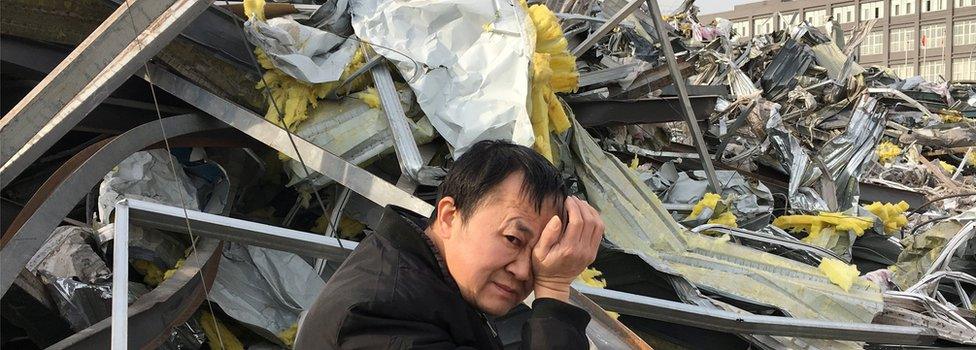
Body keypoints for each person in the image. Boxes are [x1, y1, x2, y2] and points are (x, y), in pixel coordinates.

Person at [294, 140, 605, 349]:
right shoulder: (380, 317)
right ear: (448, 217)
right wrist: (552, 288)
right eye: (513, 239)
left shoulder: (419, 276)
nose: (525, 271)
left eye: (539, 252)